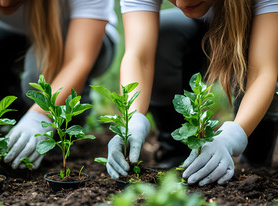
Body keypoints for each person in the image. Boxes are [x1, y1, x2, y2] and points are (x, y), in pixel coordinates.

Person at [0, 0, 118, 171]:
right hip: (10, 31)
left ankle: (68, 117)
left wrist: (40, 117)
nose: (4, 3)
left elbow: (79, 59)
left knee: (37, 79)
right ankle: (12, 105)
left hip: (84, 38)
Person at [106, 0, 278, 186]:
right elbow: (139, 57)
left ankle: (256, 158)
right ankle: (174, 154)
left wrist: (233, 136)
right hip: (203, 30)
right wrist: (133, 119)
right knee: (166, 33)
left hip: (258, 30)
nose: (180, 3)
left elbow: (264, 71)